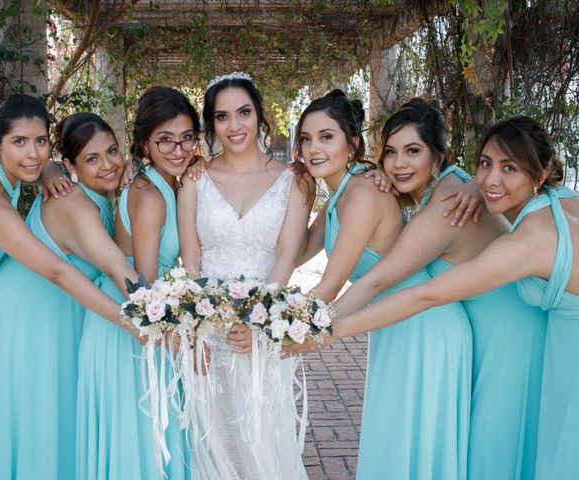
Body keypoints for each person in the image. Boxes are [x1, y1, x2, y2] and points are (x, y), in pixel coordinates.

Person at [291, 116, 578, 479]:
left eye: (413, 151)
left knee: (499, 453)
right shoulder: (534, 197)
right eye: (390, 153)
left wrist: (326, 330)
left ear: (438, 154)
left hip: (511, 347)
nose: (398, 163)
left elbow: (400, 289)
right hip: (511, 338)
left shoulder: (453, 209)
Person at [0, 95, 133, 480]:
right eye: (19, 142)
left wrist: (48, 171)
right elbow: (58, 272)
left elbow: (34, 163)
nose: (32, 153)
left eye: (40, 141)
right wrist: (132, 321)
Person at [291, 94, 473, 478]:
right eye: (305, 139)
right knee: (392, 436)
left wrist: (284, 331)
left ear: (353, 143)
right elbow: (297, 254)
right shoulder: (341, 194)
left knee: (410, 439)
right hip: (393, 324)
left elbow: (329, 286)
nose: (313, 148)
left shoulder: (364, 193)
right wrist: (301, 198)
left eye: (326, 137)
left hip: (424, 323)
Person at [177, 72, 309, 479]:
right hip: (208, 331)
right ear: (210, 125)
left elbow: (288, 253)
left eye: (243, 112)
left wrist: (259, 320)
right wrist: (197, 326)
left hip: (261, 328)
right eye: (222, 117)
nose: (234, 126)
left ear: (259, 115)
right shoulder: (194, 179)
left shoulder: (294, 180)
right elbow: (191, 257)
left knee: (262, 435)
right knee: (214, 436)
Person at [76, 87, 198, 480]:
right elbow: (144, 285)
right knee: (143, 433)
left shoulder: (163, 180)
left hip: (140, 313)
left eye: (187, 138)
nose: (177, 149)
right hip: (133, 320)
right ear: (145, 142)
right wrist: (179, 335)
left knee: (147, 432)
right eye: (165, 139)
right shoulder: (150, 196)